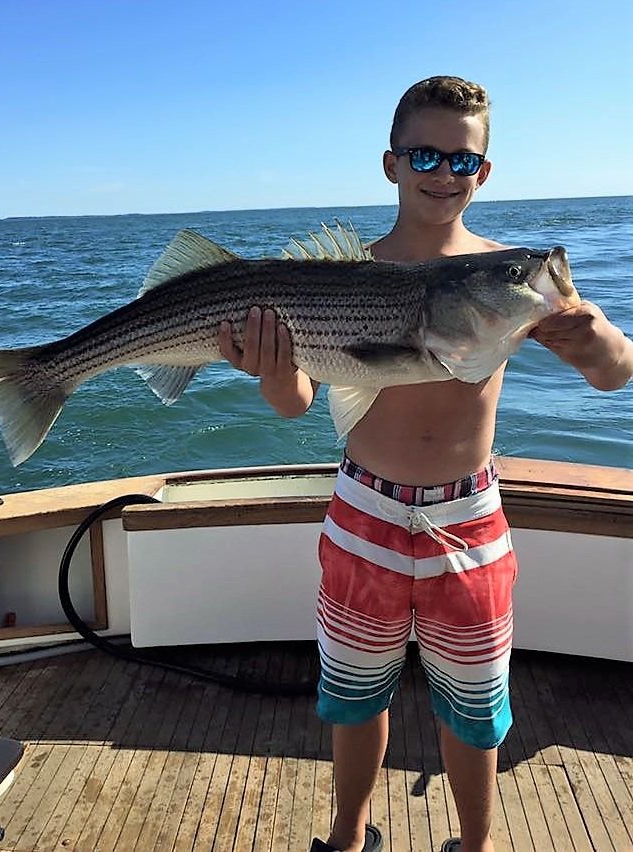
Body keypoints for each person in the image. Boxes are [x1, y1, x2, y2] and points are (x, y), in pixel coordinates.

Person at [219, 76, 633, 852]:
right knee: (351, 697)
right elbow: (298, 404)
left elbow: (615, 372)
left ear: (485, 172)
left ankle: (474, 845)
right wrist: (277, 374)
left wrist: (599, 341)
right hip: (362, 515)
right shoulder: (343, 275)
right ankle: (349, 835)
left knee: (476, 710)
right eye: (424, 154)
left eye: (462, 160)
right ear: (390, 163)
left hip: (469, 520)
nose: (444, 173)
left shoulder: (506, 281)